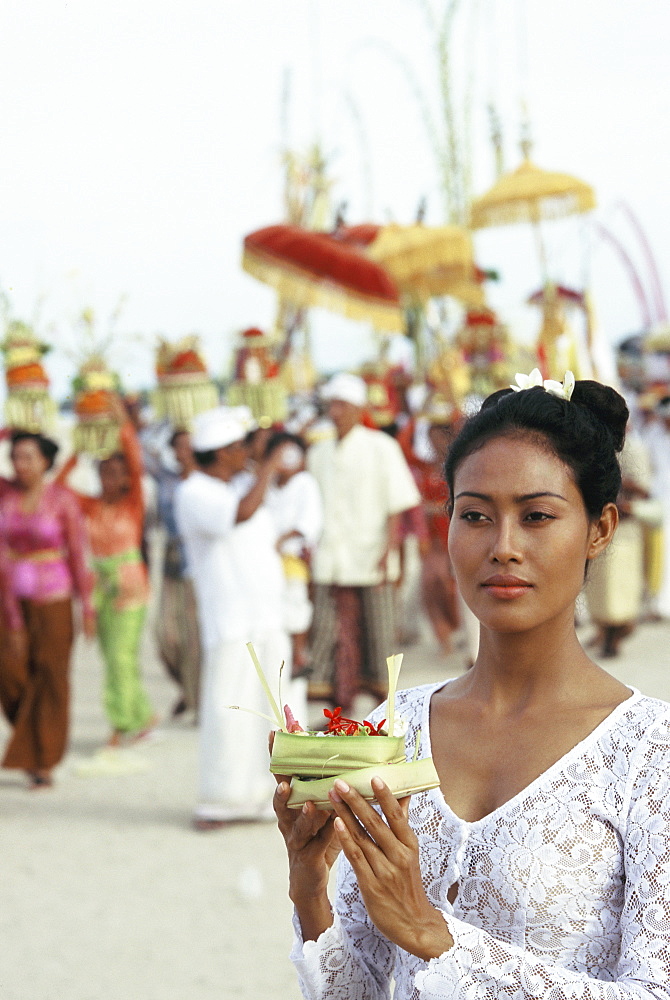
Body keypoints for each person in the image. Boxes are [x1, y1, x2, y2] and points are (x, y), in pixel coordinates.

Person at [276, 372, 670, 997]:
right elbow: (361, 989)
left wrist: (437, 937)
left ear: (601, 528)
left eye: (538, 516)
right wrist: (308, 887)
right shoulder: (392, 730)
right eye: (476, 516)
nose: (503, 547)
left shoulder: (650, 755)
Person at [175, 405, 292, 830]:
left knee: (265, 709)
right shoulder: (194, 492)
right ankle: (218, 800)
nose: (245, 452)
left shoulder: (237, 485)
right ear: (221, 451)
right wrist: (268, 467)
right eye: (239, 446)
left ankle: (259, 797)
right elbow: (238, 515)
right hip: (229, 621)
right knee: (229, 709)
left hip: (264, 617)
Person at [307, 373, 420, 712]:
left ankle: (384, 712)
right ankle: (337, 710)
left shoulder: (381, 447)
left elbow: (397, 503)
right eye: (333, 404)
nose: (336, 411)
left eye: (342, 404)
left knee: (379, 635)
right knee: (329, 634)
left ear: (358, 409)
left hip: (372, 556)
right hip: (331, 558)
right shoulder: (318, 452)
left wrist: (389, 549)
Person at [0, 431, 95, 788]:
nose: (19, 465)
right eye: (14, 457)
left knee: (52, 676)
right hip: (9, 599)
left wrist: (87, 607)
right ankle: (31, 744)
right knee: (9, 672)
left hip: (54, 598)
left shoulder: (62, 500)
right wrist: (8, 432)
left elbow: (78, 552)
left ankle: (43, 759)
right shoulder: (5, 494)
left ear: (45, 461)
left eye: (27, 457)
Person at [59, 401, 156, 747]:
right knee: (112, 657)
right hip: (100, 586)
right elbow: (58, 484)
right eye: (103, 472)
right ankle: (142, 715)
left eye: (116, 474)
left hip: (130, 588)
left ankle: (121, 722)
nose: (108, 478)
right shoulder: (88, 504)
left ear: (126, 479)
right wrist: (80, 450)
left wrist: (123, 425)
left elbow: (136, 460)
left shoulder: (134, 505)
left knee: (121, 655)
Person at [147, 427, 201, 719]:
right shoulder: (166, 478)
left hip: (197, 563)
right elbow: (139, 457)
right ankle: (187, 686)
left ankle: (196, 699)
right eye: (179, 446)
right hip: (170, 560)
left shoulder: (207, 479)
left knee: (193, 637)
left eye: (190, 446)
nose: (185, 452)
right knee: (165, 635)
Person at [264, 430, 323, 675]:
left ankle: (299, 654)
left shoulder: (305, 484)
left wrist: (283, 539)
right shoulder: (268, 486)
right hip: (268, 558)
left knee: (295, 601)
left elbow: (309, 522)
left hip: (292, 555)